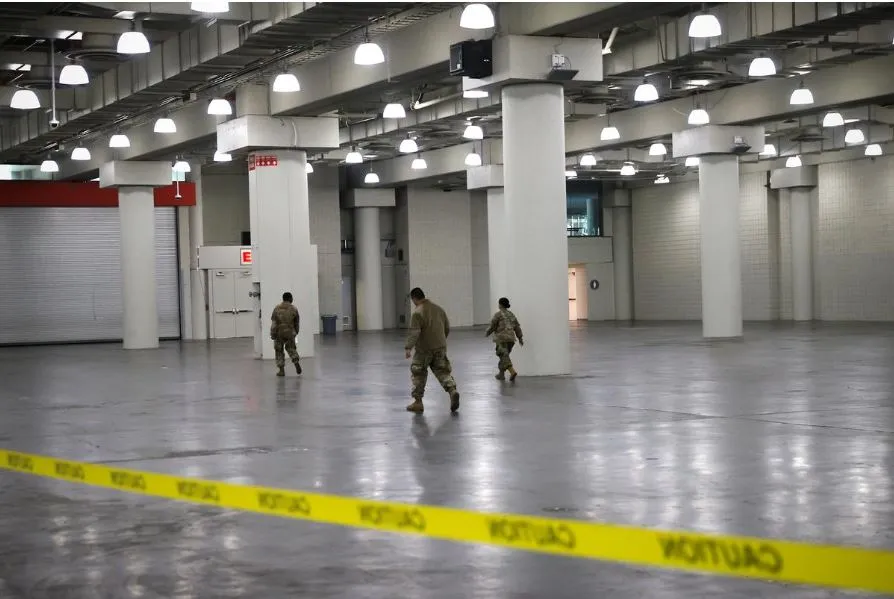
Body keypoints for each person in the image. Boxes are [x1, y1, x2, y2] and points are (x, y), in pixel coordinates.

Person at [404, 287, 461, 414]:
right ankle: (452, 391)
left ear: (414, 298)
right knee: (443, 372)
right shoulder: (439, 309)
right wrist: (440, 342)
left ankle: (418, 402)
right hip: (440, 347)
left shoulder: (418, 312)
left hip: (424, 350)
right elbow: (447, 327)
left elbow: (414, 332)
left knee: (418, 373)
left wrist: (408, 348)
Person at [485, 297, 524, 381]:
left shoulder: (498, 314)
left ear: (500, 305)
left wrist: (487, 333)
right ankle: (501, 374)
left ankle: (512, 371)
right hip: (511, 340)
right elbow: (517, 327)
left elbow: (492, 326)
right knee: (504, 357)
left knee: (503, 356)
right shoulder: (511, 314)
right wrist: (520, 338)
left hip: (501, 339)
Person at [270, 292, 302, 377]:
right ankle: (296, 362)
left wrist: (272, 333)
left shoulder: (277, 308)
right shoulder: (294, 308)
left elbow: (274, 323)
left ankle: (281, 371)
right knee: (291, 348)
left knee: (279, 350)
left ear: (283, 299)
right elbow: (297, 322)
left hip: (279, 333)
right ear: (290, 298)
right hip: (290, 333)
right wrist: (296, 332)